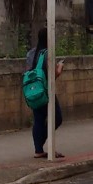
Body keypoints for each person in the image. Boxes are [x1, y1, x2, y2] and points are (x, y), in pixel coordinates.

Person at [29, 28, 64, 159]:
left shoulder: (31, 53)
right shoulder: (48, 54)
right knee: (56, 118)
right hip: (46, 91)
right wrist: (60, 66)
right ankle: (46, 147)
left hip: (33, 91)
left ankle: (38, 149)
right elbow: (54, 75)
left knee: (38, 119)